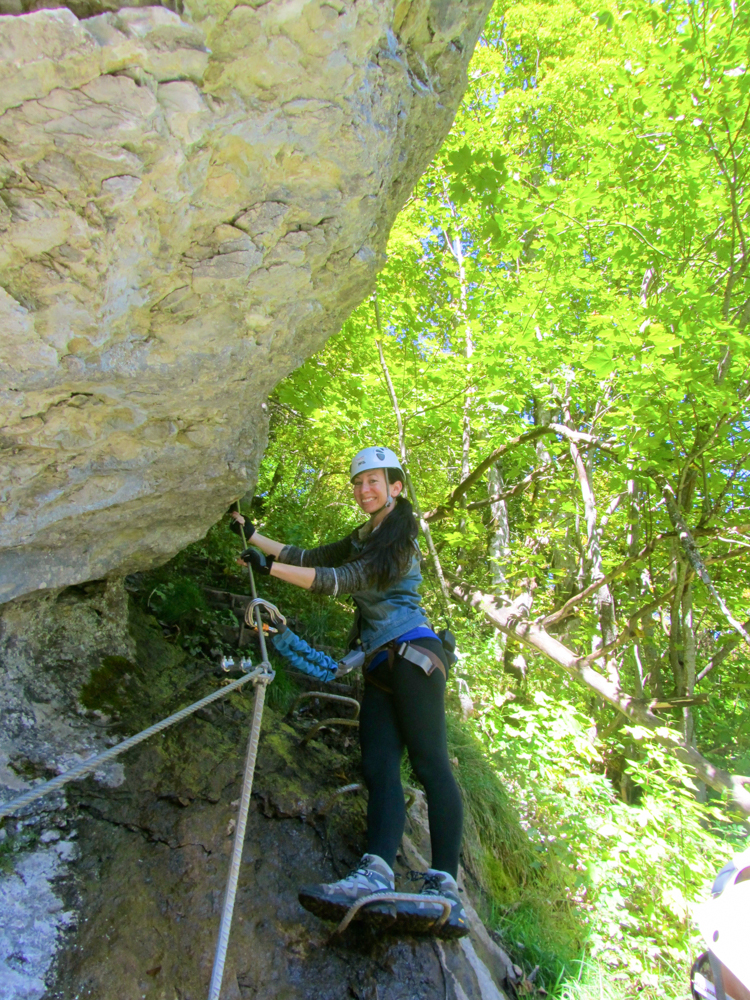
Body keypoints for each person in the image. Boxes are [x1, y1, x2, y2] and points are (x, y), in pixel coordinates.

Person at [230, 446, 467, 938]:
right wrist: (254, 537)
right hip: (381, 664)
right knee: (379, 768)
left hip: (414, 655)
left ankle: (445, 884)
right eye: (359, 483)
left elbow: (340, 581)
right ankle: (375, 870)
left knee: (430, 763)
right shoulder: (365, 535)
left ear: (395, 488)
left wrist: (269, 570)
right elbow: (311, 557)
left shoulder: (400, 540)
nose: (365, 491)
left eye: (374, 482)